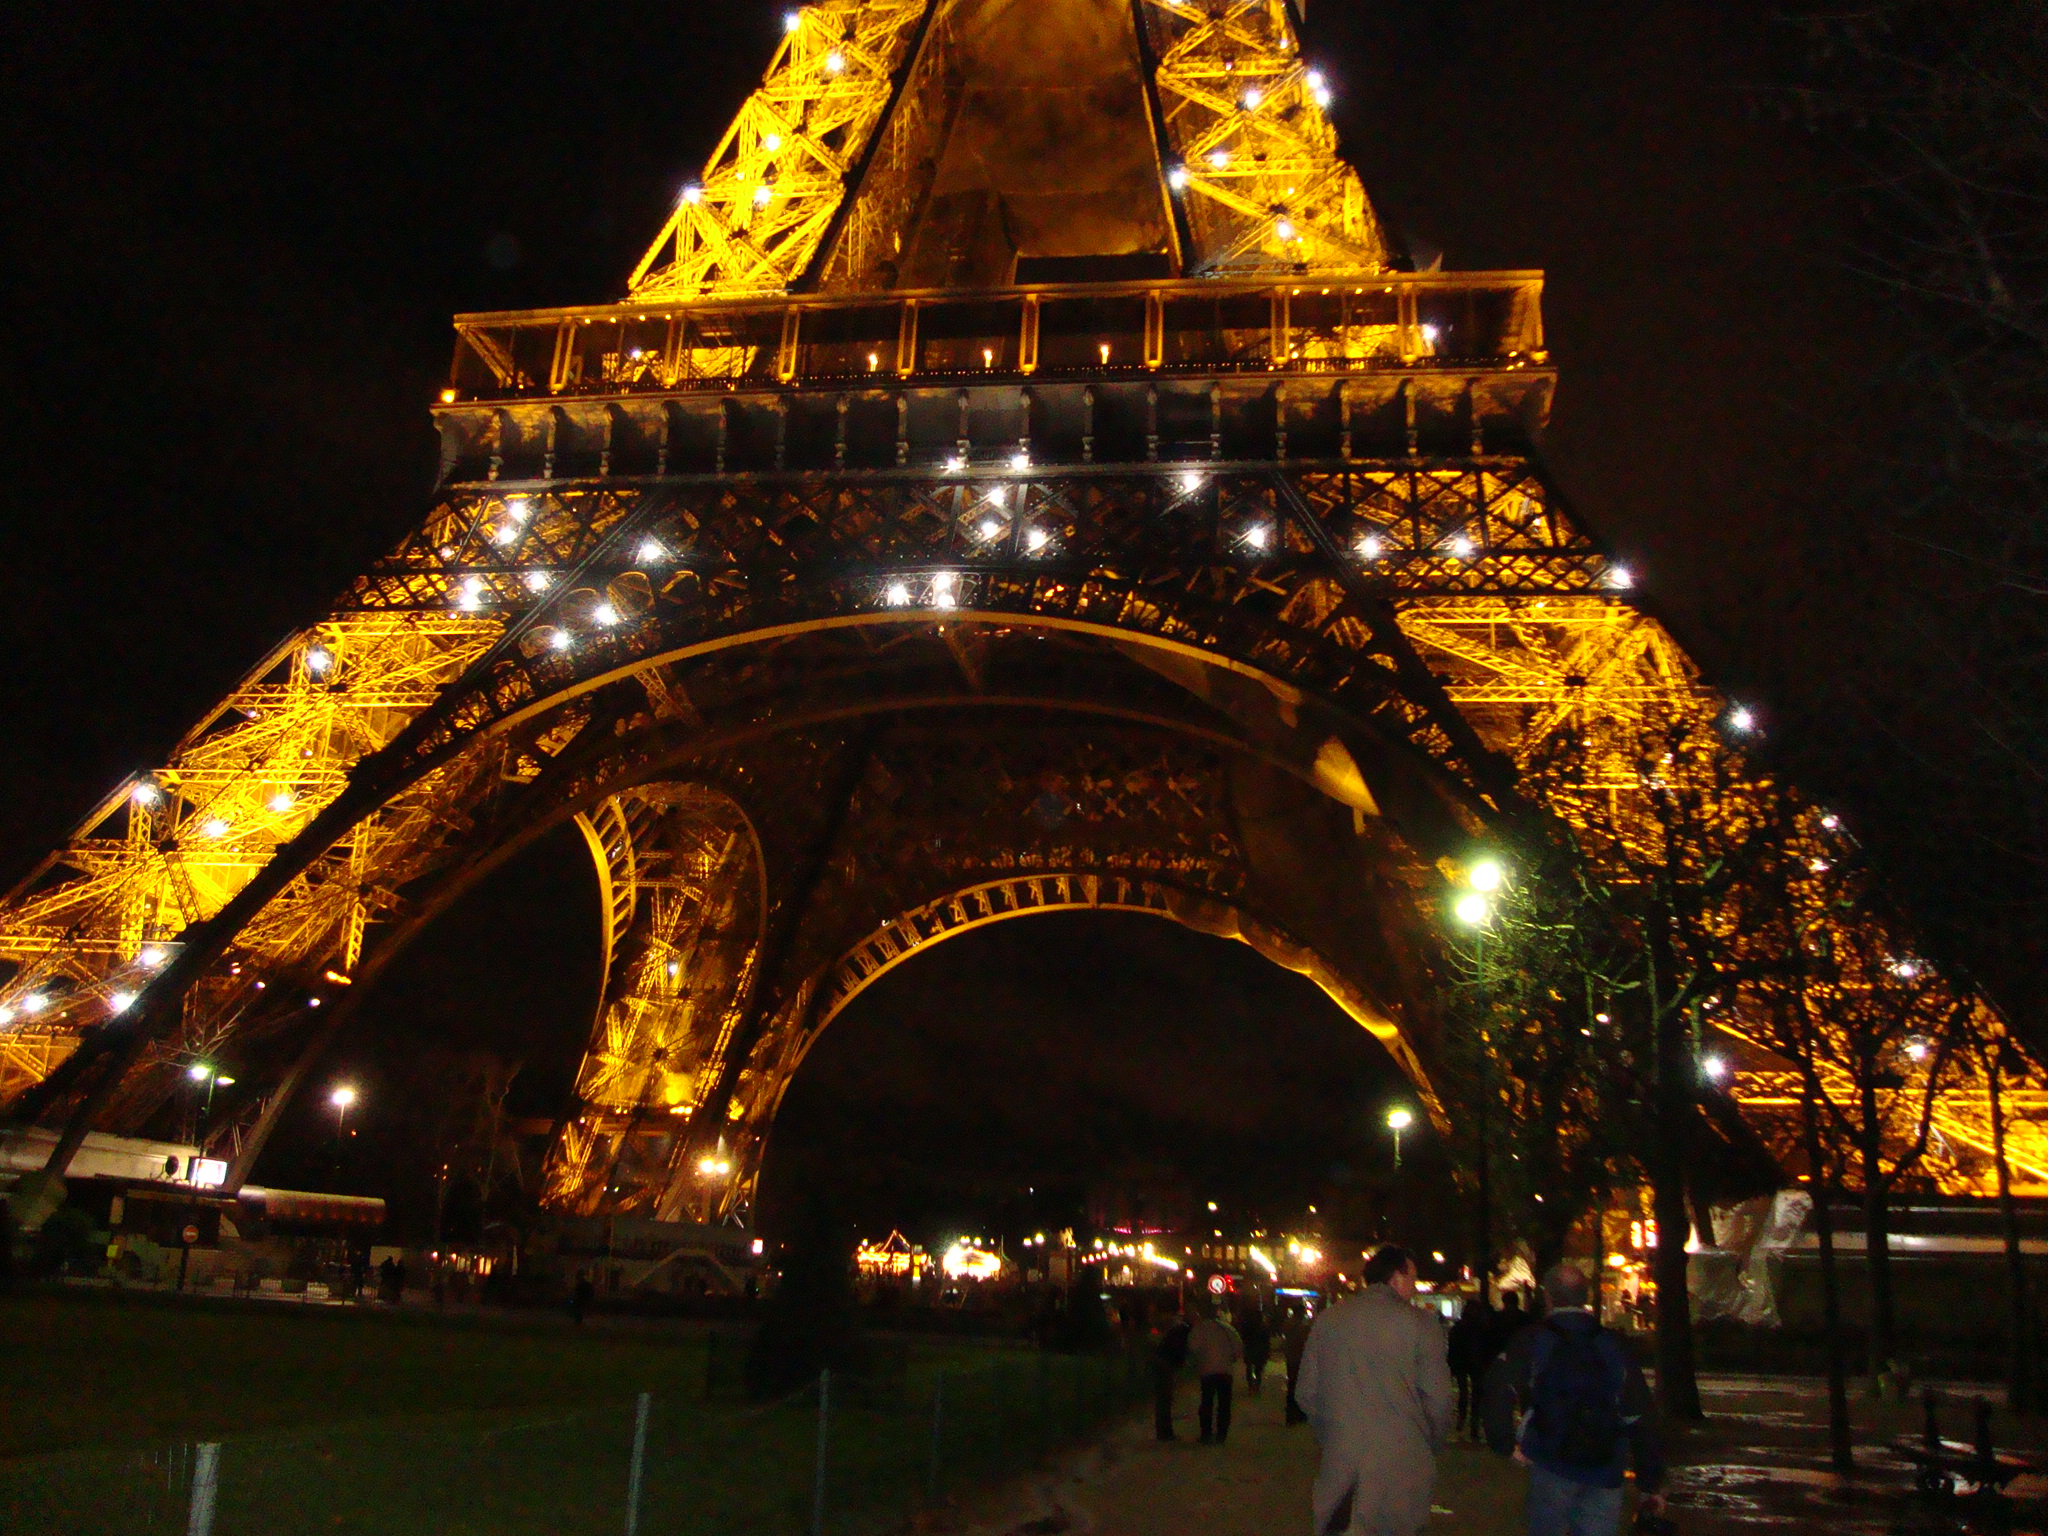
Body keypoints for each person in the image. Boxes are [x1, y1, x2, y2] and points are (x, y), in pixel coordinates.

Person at [1483, 1263, 1666, 1536]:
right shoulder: (1611, 1344)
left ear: (1548, 1297)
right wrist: (1650, 1482)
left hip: (1550, 1460)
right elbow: (1639, 1412)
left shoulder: (1533, 1340)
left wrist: (1505, 1442)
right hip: (1606, 1465)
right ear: (1587, 1296)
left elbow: (1498, 1387)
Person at [1295, 1246, 1456, 1536]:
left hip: (1342, 1465)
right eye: (1413, 1278)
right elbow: (1439, 1398)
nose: (1415, 1287)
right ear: (1396, 1278)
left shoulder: (1329, 1321)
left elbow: (1306, 1392)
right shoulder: (1421, 1325)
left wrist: (1332, 1431)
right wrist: (1430, 1441)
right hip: (1402, 1464)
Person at [1188, 1301, 1244, 1444]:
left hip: (1207, 1371)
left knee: (1207, 1402)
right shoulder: (1228, 1329)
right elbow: (1238, 1349)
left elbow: (1193, 1348)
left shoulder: (1200, 1329)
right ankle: (1221, 1434)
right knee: (1224, 1404)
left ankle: (1206, 1433)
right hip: (1225, 1371)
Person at [1447, 1295, 1496, 1440]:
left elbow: (1453, 1348)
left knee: (1465, 1393)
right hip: (1475, 1364)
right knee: (1475, 1394)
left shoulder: (1460, 1328)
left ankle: (1463, 1420)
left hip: (1464, 1363)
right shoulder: (1482, 1328)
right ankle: (1472, 1423)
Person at [1152, 1306, 1191, 1440]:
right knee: (1165, 1399)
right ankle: (1165, 1432)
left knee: (1164, 1400)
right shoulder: (1183, 1332)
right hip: (1165, 1365)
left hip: (1162, 1363)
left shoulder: (1177, 1331)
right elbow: (1178, 1351)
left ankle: (1164, 1431)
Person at [1283, 1302, 1313, 1425]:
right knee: (1300, 1386)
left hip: (1291, 1357)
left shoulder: (1288, 1324)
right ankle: (1298, 1413)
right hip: (1301, 1358)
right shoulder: (1304, 1325)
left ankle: (1291, 1413)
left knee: (1292, 1385)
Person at [1241, 1305, 1272, 1396]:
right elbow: (1267, 1341)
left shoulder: (1248, 1326)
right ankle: (1256, 1386)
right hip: (1260, 1351)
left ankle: (1251, 1386)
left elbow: (1244, 1338)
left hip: (1250, 1349)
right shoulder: (1264, 1327)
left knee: (1250, 1368)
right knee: (1258, 1369)